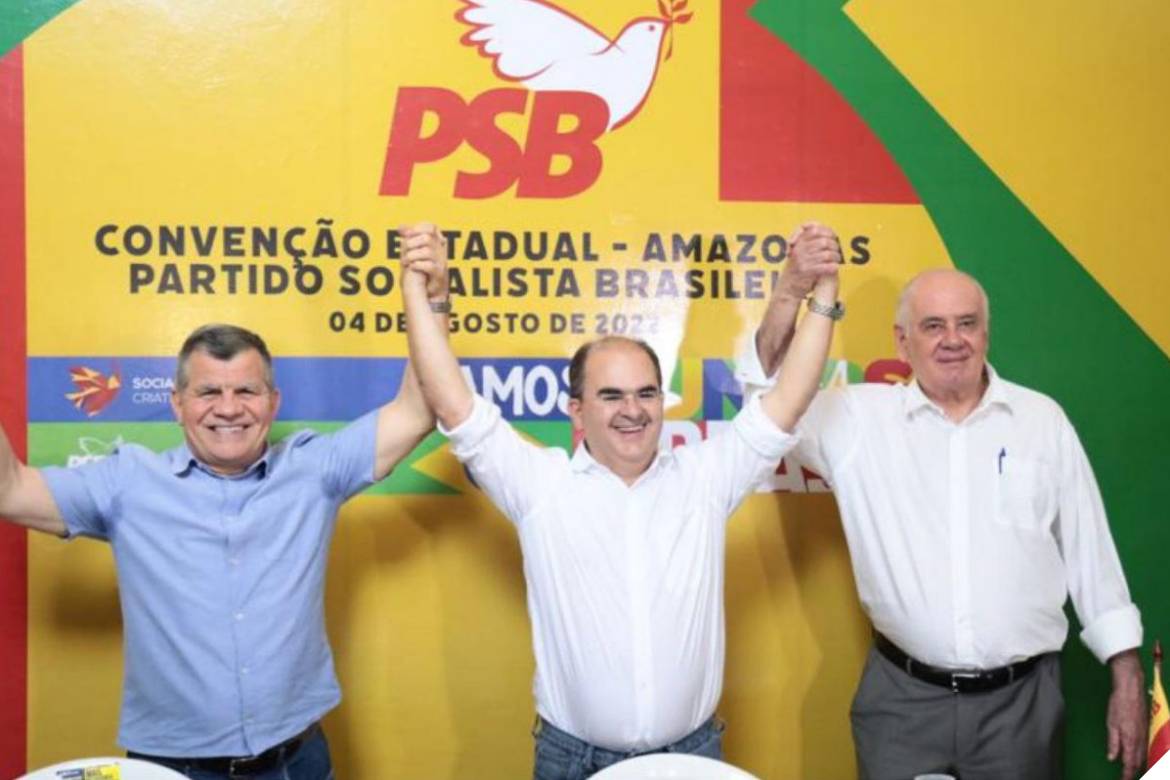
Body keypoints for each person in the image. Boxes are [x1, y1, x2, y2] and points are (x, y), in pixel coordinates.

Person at [397, 221, 843, 779]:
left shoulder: (704, 478)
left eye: (645, 393)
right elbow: (451, 401)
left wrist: (823, 289)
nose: (632, 410)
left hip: (692, 758)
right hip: (573, 763)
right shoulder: (540, 485)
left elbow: (790, 397)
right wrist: (421, 290)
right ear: (577, 411)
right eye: (611, 396)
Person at [0, 224, 447, 779]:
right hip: (173, 768)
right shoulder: (126, 483)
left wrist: (430, 296)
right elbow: (10, 490)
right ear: (177, 404)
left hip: (297, 762)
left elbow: (419, 409)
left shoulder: (313, 470)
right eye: (209, 391)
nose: (229, 408)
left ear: (272, 402)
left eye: (246, 391)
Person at [738, 256, 1146, 780]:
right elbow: (770, 397)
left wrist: (1126, 671)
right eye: (933, 326)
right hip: (901, 706)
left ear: (986, 334)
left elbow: (1091, 552)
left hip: (1022, 708)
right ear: (902, 342)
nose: (953, 339)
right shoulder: (857, 420)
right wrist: (790, 292)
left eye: (966, 323)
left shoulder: (1042, 421)